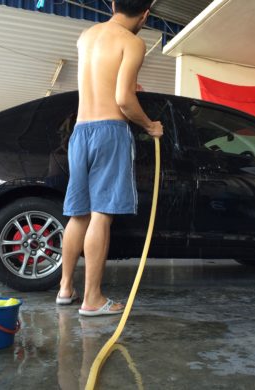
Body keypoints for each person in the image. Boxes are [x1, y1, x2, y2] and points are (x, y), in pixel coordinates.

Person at [56, 0, 163, 316]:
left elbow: (105, 83)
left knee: (78, 214)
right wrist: (150, 125)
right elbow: (123, 101)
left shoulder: (85, 36)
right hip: (109, 132)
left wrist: (127, 88)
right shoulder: (132, 42)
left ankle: (65, 289)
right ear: (144, 15)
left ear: (114, 4)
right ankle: (93, 299)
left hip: (81, 132)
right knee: (101, 214)